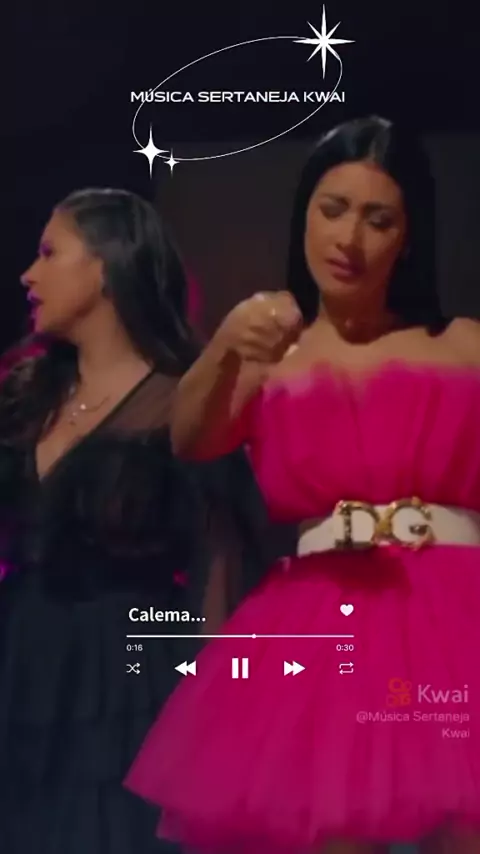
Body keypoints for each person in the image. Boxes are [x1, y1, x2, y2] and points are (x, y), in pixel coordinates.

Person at [125, 117, 480, 854]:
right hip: (324, 620)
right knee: (333, 828)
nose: (349, 238)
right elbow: (191, 439)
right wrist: (225, 346)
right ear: (304, 216)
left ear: (408, 237)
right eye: (333, 209)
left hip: (457, 614)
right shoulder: (266, 353)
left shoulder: (466, 344)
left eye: (378, 219)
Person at [0, 188, 266, 854]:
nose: (28, 275)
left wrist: (216, 714)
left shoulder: (184, 403)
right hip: (24, 663)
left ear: (105, 267)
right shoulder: (24, 394)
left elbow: (220, 570)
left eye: (49, 253)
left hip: (128, 677)